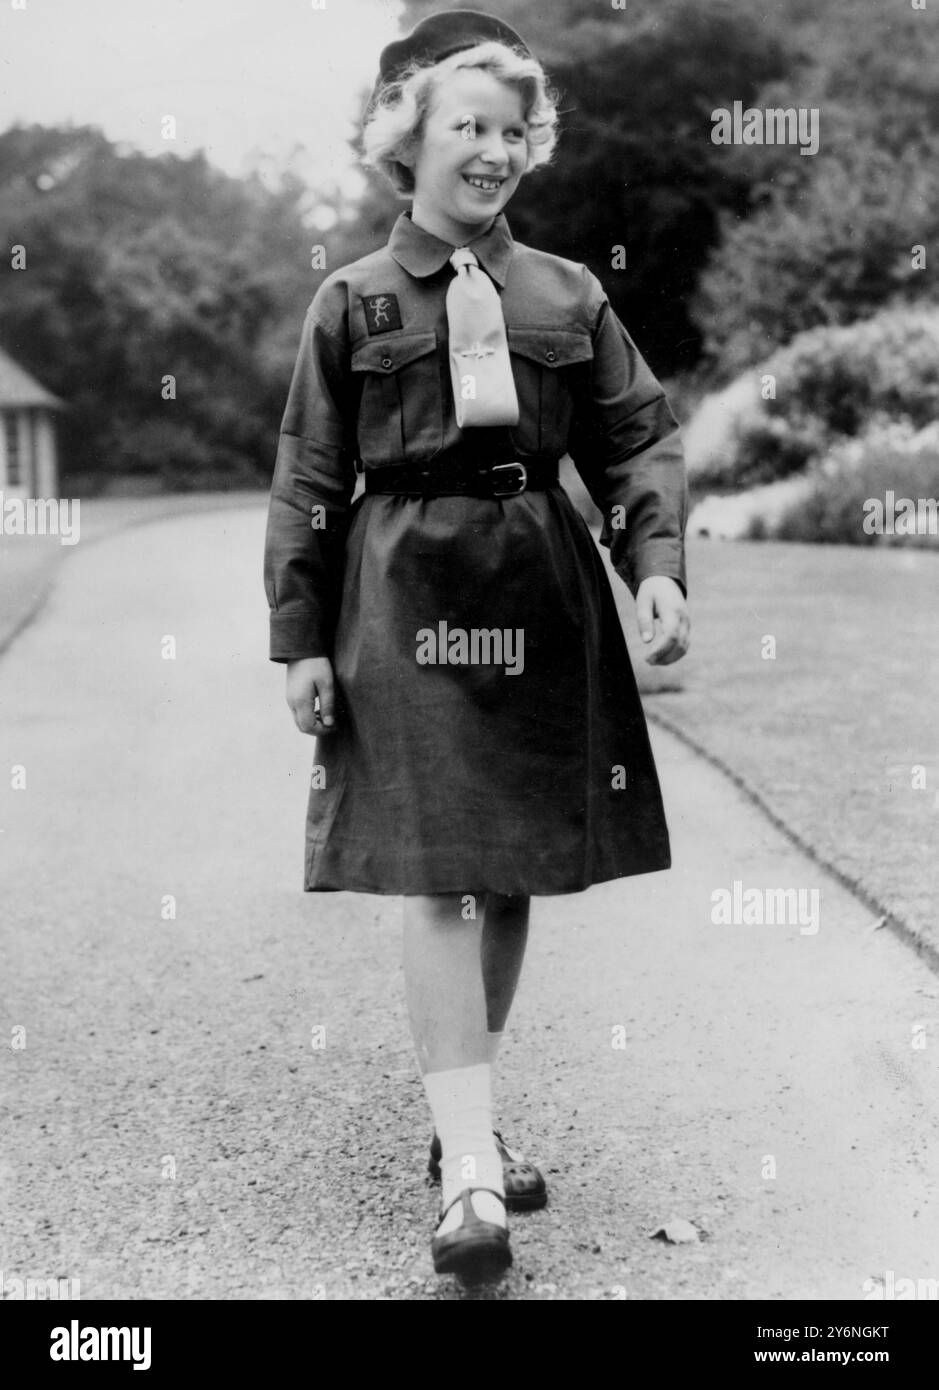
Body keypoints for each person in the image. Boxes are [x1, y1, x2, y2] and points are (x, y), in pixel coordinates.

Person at [263, 7, 690, 1286]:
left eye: (515, 131)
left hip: (540, 597)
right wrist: (300, 637)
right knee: (443, 871)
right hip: (398, 598)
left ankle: (466, 1119)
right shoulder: (350, 302)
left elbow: (638, 436)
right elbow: (306, 479)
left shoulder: (568, 292)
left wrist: (654, 566)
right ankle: (468, 1177)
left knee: (505, 875)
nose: (496, 151)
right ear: (410, 141)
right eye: (471, 126)